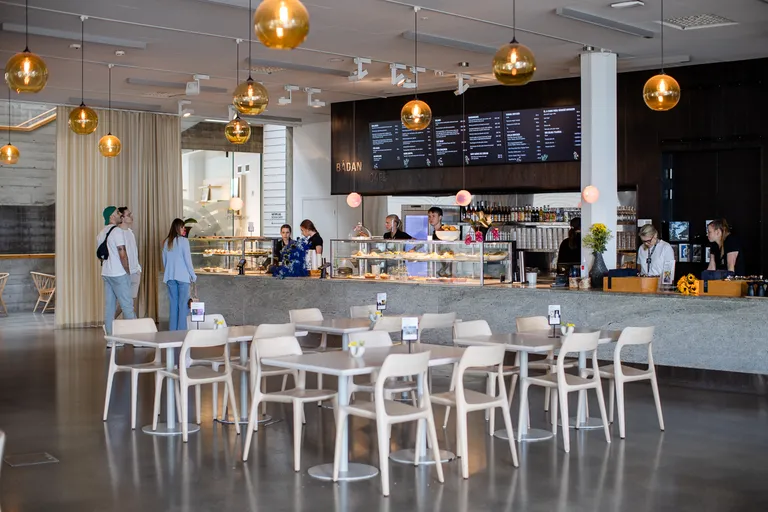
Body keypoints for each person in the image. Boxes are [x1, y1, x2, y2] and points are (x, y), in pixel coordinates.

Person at [97, 206, 135, 336]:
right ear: (112, 217)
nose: (120, 215)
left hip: (106, 273)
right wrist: (128, 271)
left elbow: (101, 256)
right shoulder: (117, 231)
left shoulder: (101, 233)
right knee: (127, 306)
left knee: (110, 307)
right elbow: (122, 254)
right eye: (117, 213)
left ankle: (111, 338)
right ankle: (137, 338)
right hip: (119, 273)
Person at [163, 218, 196, 331]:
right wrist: (193, 275)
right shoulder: (184, 241)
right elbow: (188, 260)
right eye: (182, 227)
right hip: (183, 277)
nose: (184, 229)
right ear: (178, 228)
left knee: (173, 305)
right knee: (183, 306)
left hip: (170, 277)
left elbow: (165, 261)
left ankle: (172, 332)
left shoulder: (167, 242)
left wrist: (169, 271)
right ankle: (181, 332)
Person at [118, 207, 141, 313]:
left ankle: (128, 321)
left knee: (131, 302)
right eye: (128, 215)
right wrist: (125, 271)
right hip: (124, 273)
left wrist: (138, 268)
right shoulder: (118, 233)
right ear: (122, 218)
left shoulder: (130, 232)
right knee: (123, 303)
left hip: (135, 271)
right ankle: (110, 320)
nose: (131, 217)